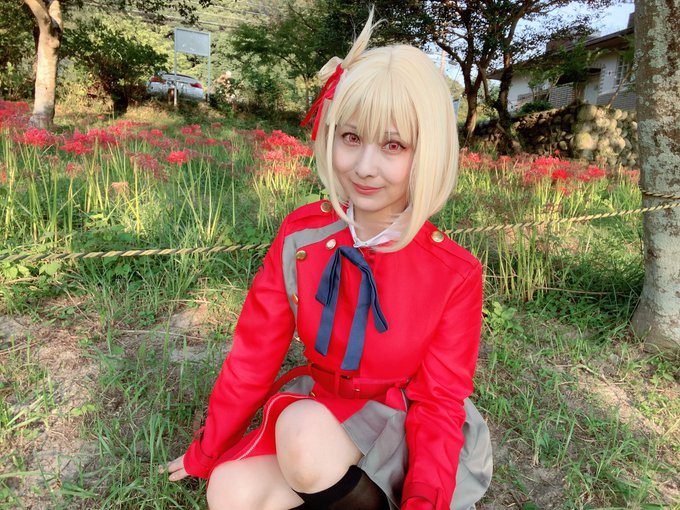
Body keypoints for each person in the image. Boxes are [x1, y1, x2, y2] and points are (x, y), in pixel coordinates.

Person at [164, 9, 492, 510]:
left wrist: (424, 500)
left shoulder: (454, 272)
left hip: (405, 423)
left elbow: (438, 403)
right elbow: (253, 354)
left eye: (393, 145)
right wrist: (207, 451)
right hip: (327, 413)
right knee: (229, 492)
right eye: (351, 138)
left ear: (428, 152)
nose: (364, 167)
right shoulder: (302, 236)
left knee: (301, 433)